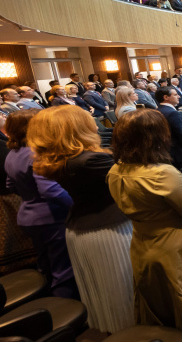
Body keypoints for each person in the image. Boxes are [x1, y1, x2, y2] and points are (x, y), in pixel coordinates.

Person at [107, 110, 182, 341]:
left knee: (158, 301)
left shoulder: (115, 171)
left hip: (142, 242)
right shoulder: (162, 174)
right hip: (176, 245)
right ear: (156, 136)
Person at [28, 106, 135, 333]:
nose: (96, 125)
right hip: (109, 231)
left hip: (81, 229)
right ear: (75, 129)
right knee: (121, 289)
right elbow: (135, 181)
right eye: (88, 121)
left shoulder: (59, 160)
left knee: (102, 292)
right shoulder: (90, 161)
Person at [4, 110, 78, 299]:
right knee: (64, 269)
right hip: (50, 217)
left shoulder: (12, 153)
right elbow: (51, 190)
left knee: (45, 264)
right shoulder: (37, 153)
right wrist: (77, 205)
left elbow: (10, 185)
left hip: (28, 215)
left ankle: (47, 302)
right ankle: (65, 311)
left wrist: (31, 196)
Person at [156, 87, 182, 169]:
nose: (179, 97)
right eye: (175, 95)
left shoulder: (157, 110)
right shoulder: (173, 113)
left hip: (167, 153)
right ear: (166, 97)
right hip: (180, 155)